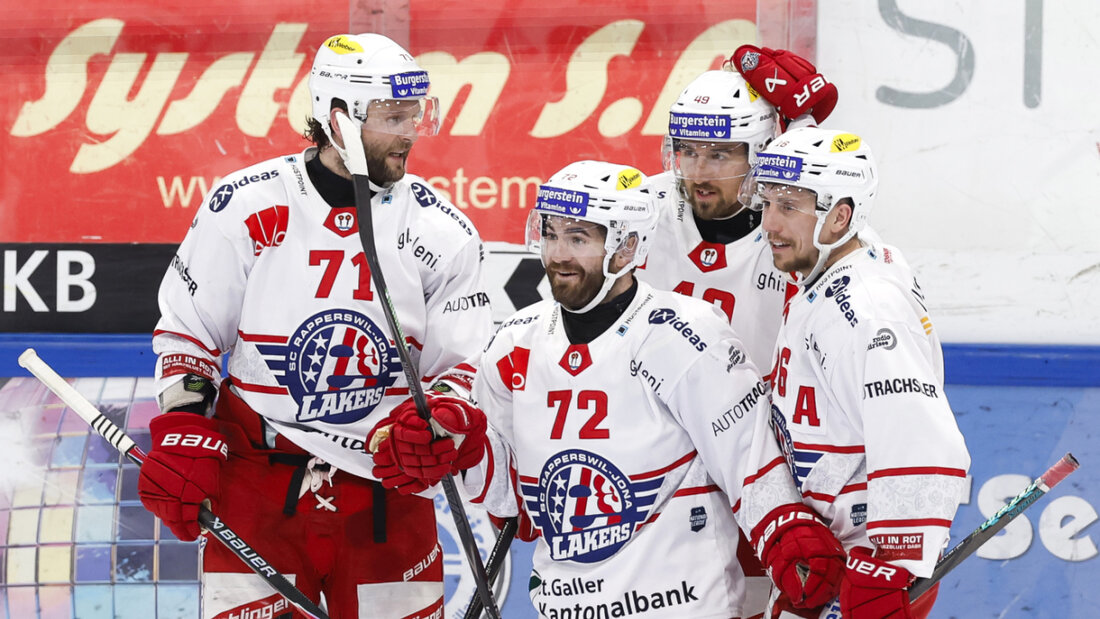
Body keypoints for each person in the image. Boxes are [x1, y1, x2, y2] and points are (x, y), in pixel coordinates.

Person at [369, 160, 849, 618]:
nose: (557, 254)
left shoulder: (683, 333)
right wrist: (465, 448)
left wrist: (786, 529)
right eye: (551, 234)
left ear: (627, 247)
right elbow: (511, 503)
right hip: (564, 605)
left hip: (680, 608)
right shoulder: (515, 343)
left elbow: (749, 458)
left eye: (578, 238)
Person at [138, 33, 492, 619]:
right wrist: (183, 428)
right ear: (338, 117)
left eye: (415, 115)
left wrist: (443, 420)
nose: (409, 131)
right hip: (258, 485)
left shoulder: (441, 230)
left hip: (388, 485)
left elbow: (463, 363)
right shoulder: (247, 205)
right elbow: (188, 332)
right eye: (392, 116)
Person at [635, 45, 839, 617]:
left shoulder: (797, 230)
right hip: (655, 473)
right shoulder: (643, 208)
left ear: (762, 153)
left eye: (722, 154)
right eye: (688, 152)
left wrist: (803, 127)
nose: (699, 172)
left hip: (761, 469)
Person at [739, 126, 971, 619]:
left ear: (839, 216)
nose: (769, 225)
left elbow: (920, 441)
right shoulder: (835, 266)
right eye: (768, 203)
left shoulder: (866, 309)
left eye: (789, 207)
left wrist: (897, 566)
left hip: (857, 567)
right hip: (824, 558)